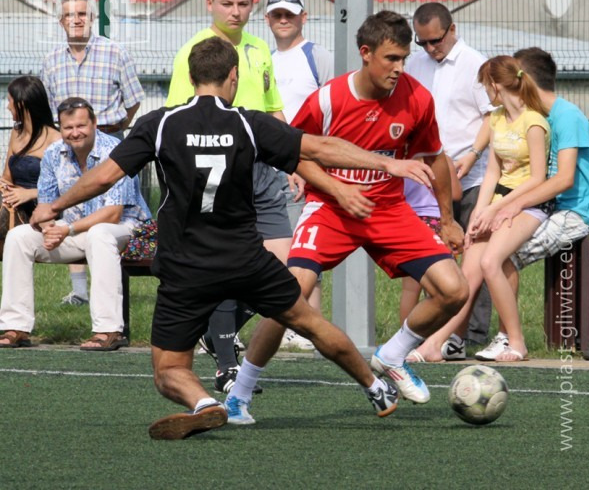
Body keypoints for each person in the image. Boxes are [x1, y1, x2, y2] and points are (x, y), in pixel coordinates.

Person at [29, 37, 443, 439]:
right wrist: (386, 165)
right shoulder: (249, 122)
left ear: (191, 78)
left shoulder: (160, 124)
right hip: (246, 260)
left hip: (186, 267)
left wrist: (55, 205)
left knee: (168, 369)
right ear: (233, 76)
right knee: (311, 322)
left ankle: (204, 403)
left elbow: (105, 176)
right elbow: (319, 148)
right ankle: (375, 386)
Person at [224, 11, 469, 422]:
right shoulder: (328, 99)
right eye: (391, 58)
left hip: (388, 209)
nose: (399, 68)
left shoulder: (417, 98)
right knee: (290, 294)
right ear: (366, 53)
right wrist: (338, 190)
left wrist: (447, 220)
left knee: (454, 290)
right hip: (331, 210)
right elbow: (295, 154)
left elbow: (435, 158)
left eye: (404, 58)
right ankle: (240, 394)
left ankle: (393, 354)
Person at [167, 0, 297, 392]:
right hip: (219, 174)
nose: (235, 11)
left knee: (286, 270)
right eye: (226, 3)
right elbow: (178, 119)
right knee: (230, 264)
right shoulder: (194, 53)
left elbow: (274, 110)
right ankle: (226, 365)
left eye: (243, 4)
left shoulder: (259, 49)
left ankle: (216, 331)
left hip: (264, 172)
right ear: (210, 4)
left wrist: (293, 162)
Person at [410, 55, 551, 363]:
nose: (484, 92)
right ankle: (436, 342)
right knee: (468, 271)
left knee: (490, 262)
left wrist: (499, 207)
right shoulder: (497, 118)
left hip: (528, 204)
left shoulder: (534, 122)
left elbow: (538, 178)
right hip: (498, 203)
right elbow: (492, 173)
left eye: (485, 86)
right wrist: (479, 213)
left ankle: (516, 342)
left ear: (495, 85)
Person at [482, 47, 589, 361]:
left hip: (575, 212)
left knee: (504, 254)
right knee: (497, 249)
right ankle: (505, 337)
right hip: (545, 208)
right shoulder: (532, 117)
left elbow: (564, 179)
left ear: (524, 78)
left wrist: (514, 205)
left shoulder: (567, 116)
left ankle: (509, 338)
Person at [0, 97, 150, 350]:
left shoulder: (115, 151)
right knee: (19, 237)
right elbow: (46, 206)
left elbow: (112, 214)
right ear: (61, 128)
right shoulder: (53, 153)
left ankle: (108, 330)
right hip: (72, 230)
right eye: (68, 127)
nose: (75, 132)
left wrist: (65, 229)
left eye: (81, 126)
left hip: (123, 229)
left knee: (99, 234)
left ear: (94, 124)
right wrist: (48, 229)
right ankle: (16, 327)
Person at [41, 0, 145, 306]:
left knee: (111, 216)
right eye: (69, 15)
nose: (76, 20)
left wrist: (117, 128)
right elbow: (48, 108)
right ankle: (79, 291)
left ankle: (114, 291)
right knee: (72, 209)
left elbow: (134, 99)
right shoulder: (51, 61)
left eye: (82, 14)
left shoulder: (115, 53)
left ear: (92, 18)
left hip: (110, 144)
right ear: (61, 21)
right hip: (69, 147)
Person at [405, 2, 494, 354]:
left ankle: (469, 334)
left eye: (436, 40)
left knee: (473, 253)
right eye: (422, 42)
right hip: (429, 179)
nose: (430, 48)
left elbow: (492, 116)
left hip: (470, 178)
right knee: (434, 254)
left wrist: (473, 154)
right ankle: (432, 329)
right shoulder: (414, 64)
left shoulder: (475, 64)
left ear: (452, 30)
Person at [265, 0, 333, 349]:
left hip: (304, 168)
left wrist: (311, 165)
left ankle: (308, 327)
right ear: (267, 19)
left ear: (303, 17)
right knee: (267, 251)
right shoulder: (262, 58)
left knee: (303, 248)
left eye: (289, 14)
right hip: (265, 167)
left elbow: (335, 112)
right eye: (277, 14)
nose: (283, 20)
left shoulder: (318, 57)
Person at [400, 156, 462, 354]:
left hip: (409, 222)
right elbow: (456, 194)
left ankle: (404, 341)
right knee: (443, 289)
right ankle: (438, 340)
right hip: (438, 223)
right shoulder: (443, 161)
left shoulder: (402, 161)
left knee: (410, 290)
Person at [1, 77, 61, 221]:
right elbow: (7, 178)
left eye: (10, 101)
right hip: (16, 204)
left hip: (43, 208)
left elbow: (66, 188)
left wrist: (30, 193)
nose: (8, 107)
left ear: (21, 103)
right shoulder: (16, 132)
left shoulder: (56, 140)